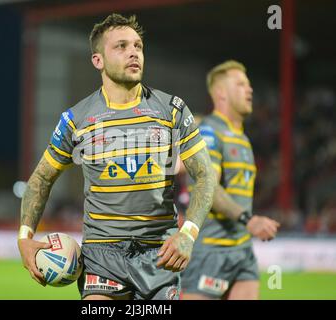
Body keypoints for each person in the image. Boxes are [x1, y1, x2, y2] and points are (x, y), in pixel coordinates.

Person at [17, 13, 216, 300]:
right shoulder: (77, 119)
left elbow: (205, 174)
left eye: (137, 45)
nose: (133, 52)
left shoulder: (171, 110)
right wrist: (24, 238)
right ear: (98, 60)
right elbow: (41, 179)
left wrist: (188, 233)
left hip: (158, 254)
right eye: (121, 46)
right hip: (102, 255)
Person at [180, 60, 280, 300]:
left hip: (242, 250)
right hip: (211, 251)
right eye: (241, 84)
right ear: (221, 93)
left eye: (249, 84)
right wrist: (249, 220)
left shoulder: (242, 138)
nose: (250, 89)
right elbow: (208, 189)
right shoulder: (208, 132)